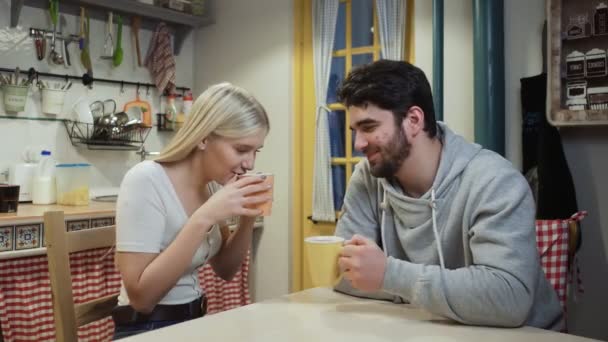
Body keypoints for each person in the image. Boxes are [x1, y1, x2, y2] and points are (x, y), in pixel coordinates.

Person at [334, 60, 563, 330]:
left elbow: (508, 299)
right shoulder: (367, 177)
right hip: (425, 330)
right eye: (354, 131)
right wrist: (448, 293)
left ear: (414, 120)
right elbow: (343, 272)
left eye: (369, 127)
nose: (358, 144)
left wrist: (389, 275)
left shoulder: (494, 181)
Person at [112, 83, 271, 338]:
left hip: (194, 322)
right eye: (241, 149)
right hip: (147, 327)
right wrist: (206, 216)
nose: (250, 164)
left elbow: (226, 270)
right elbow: (141, 299)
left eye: (256, 151)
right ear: (204, 137)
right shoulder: (145, 179)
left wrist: (247, 219)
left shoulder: (208, 186)